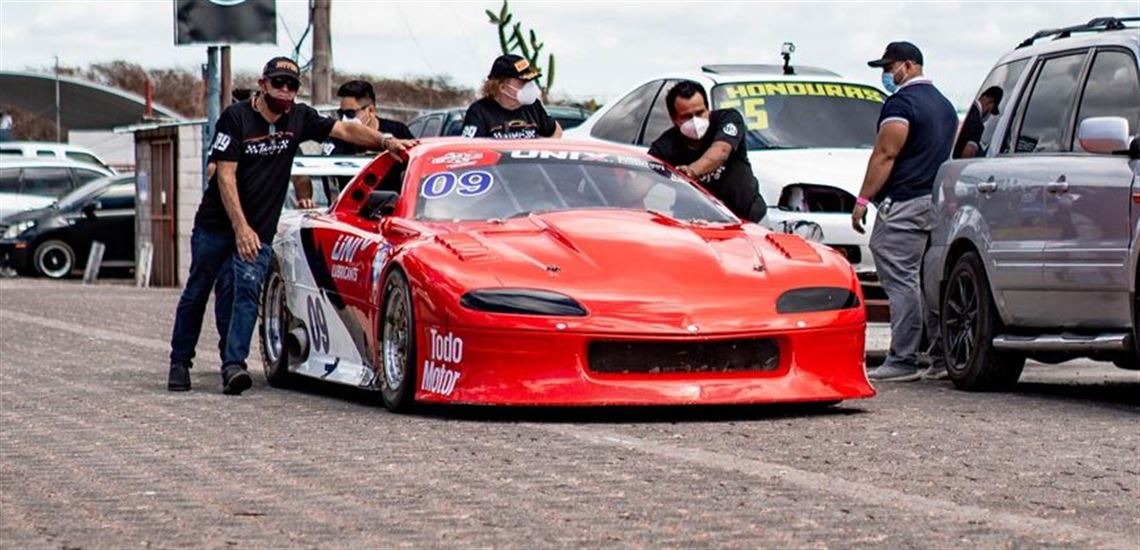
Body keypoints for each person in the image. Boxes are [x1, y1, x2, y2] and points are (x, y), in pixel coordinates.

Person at [168, 56, 416, 395]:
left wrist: (385, 141)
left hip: (261, 225)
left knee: (247, 291)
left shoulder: (299, 117)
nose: (285, 91)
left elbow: (344, 129)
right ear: (263, 84)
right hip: (218, 225)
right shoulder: (236, 118)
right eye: (278, 84)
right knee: (198, 291)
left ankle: (234, 366)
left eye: (291, 85)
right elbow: (224, 176)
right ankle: (180, 362)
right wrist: (241, 228)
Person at [852, 42, 958, 382]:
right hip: (937, 202)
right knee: (929, 283)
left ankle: (903, 359)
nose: (886, 74)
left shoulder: (902, 103)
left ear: (909, 65)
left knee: (901, 280)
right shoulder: (944, 105)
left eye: (890, 66)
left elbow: (885, 154)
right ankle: (941, 357)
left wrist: (863, 199)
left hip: (905, 202)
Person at [647, 80, 767, 223]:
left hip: (749, 219)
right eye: (686, 116)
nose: (695, 121)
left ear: (708, 109)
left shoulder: (728, 120)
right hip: (697, 227)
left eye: (699, 113)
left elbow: (721, 151)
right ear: (674, 119)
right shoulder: (664, 146)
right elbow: (643, 183)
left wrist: (691, 172)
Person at [460, 54, 562, 140]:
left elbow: (556, 130)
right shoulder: (479, 112)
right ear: (502, 87)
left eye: (530, 81)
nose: (529, 86)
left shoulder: (534, 106)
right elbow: (469, 147)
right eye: (523, 82)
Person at [322, 80, 414, 156]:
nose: (345, 119)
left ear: (370, 110)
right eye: (341, 113)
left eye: (350, 113)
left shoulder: (398, 131)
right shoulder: (337, 137)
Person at [952, 86, 1003, 159]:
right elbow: (967, 155)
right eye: (991, 110)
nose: (989, 114)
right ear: (990, 102)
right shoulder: (978, 125)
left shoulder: (965, 112)